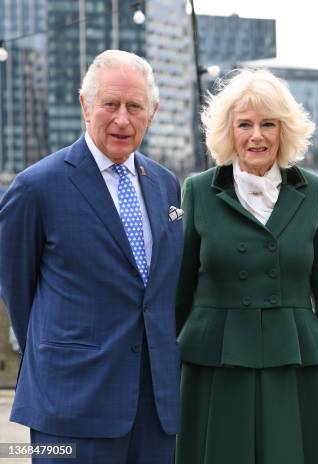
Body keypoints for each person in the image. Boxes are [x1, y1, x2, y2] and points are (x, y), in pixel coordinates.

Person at [0, 50, 183, 463]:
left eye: (134, 107)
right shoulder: (36, 188)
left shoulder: (166, 185)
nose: (122, 119)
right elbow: (18, 290)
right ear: (85, 105)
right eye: (110, 104)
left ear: (151, 113)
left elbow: (160, 291)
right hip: (71, 405)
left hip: (155, 407)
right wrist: (63, 358)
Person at [175, 68, 318, 464]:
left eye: (268, 124)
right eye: (245, 124)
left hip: (293, 361)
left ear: (284, 130)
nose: (256, 136)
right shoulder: (198, 190)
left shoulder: (313, 190)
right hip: (214, 362)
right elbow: (180, 289)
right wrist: (169, 369)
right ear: (228, 131)